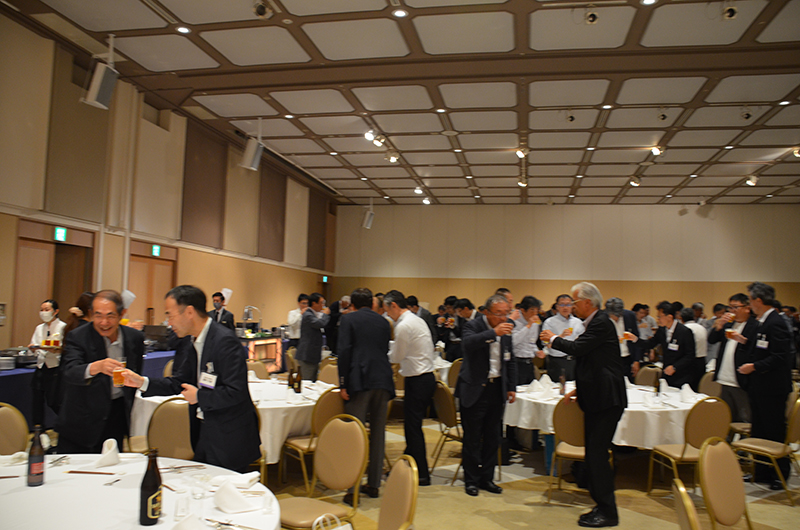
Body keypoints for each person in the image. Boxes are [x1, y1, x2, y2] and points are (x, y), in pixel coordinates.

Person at [123, 285, 260, 472]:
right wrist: (142, 382)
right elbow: (179, 382)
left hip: (229, 437)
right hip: (204, 431)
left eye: (170, 315)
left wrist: (199, 397)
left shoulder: (224, 341)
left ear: (189, 312)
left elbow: (236, 392)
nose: (169, 323)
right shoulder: (192, 341)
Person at [540, 282, 626, 528]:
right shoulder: (594, 323)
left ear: (588, 302)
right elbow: (596, 363)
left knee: (597, 456)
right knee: (594, 455)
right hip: (599, 396)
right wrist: (581, 388)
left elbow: (578, 348)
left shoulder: (600, 322)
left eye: (575, 302)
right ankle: (601, 505)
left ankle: (608, 512)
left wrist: (553, 338)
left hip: (606, 400)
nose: (573, 306)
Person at [56, 290, 144, 453]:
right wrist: (97, 367)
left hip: (116, 415)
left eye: (110, 316)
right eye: (98, 315)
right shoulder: (78, 336)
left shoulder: (134, 338)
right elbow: (69, 371)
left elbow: (136, 370)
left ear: (121, 314)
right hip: (82, 418)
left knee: (112, 462)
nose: (104, 322)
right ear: (91, 314)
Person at [456, 294, 517, 497]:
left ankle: (487, 478)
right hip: (474, 388)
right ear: (487, 312)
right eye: (498, 314)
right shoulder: (473, 325)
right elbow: (467, 344)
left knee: (493, 437)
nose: (503, 318)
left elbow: (510, 359)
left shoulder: (507, 328)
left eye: (506, 313)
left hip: (496, 388)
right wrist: (493, 333)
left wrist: (511, 386)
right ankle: (471, 480)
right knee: (473, 438)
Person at [337, 288, 394, 501]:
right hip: (383, 378)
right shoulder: (384, 322)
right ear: (371, 303)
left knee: (355, 435)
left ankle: (352, 489)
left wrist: (343, 383)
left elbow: (344, 352)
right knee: (378, 433)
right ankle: (374, 484)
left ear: (352, 304)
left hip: (359, 379)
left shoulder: (348, 319)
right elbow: (384, 349)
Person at [738, 282, 792, 489]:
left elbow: (780, 356)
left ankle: (780, 474)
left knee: (774, 430)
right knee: (759, 430)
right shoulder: (762, 322)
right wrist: (745, 343)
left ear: (758, 300)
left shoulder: (775, 322)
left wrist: (754, 366)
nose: (749, 305)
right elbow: (762, 348)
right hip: (759, 386)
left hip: (772, 388)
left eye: (750, 300)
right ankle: (761, 471)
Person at [384, 290, 436, 486]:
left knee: (413, 428)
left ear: (394, 306)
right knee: (412, 427)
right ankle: (406, 465)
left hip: (418, 380)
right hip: (425, 377)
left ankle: (422, 473)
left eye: (387, 310)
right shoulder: (416, 320)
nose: (387, 314)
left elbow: (397, 356)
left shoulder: (404, 325)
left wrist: (382, 352)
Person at [707, 293, 756, 424]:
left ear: (747, 308)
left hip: (742, 380)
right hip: (725, 377)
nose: (732, 311)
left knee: (744, 419)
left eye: (735, 307)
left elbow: (757, 350)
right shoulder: (729, 324)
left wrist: (743, 340)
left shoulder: (755, 326)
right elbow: (711, 340)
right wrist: (718, 327)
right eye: (730, 307)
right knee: (725, 417)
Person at [509, 295, 544, 451]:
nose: (535, 313)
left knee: (530, 399)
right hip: (516, 363)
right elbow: (513, 342)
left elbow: (531, 342)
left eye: (537, 310)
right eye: (532, 310)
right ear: (522, 310)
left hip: (529, 364)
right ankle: (511, 438)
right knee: (515, 401)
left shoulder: (535, 323)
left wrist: (537, 351)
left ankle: (529, 439)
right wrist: (528, 326)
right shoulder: (514, 321)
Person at [632, 301, 695, 388]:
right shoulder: (661, 330)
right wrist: (635, 339)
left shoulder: (684, 332)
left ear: (669, 317)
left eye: (659, 317)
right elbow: (650, 344)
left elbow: (690, 355)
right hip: (666, 373)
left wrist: (675, 367)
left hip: (682, 375)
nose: (658, 320)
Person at [29, 299, 67, 424]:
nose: (43, 312)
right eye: (42, 310)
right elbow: (35, 344)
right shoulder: (39, 328)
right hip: (41, 366)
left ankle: (66, 425)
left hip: (55, 367)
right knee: (37, 399)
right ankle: (38, 428)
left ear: (55, 311)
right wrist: (33, 348)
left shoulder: (62, 327)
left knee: (54, 401)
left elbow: (65, 348)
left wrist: (56, 349)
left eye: (47, 310)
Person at [541, 294, 585, 381]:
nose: (565, 307)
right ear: (557, 307)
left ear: (572, 306)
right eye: (562, 304)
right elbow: (546, 343)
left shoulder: (578, 322)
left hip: (575, 361)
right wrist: (561, 336)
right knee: (557, 387)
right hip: (557, 361)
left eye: (568, 304)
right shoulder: (549, 322)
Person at [295, 292, 330, 381]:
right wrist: (325, 315)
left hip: (313, 354)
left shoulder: (313, 314)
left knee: (313, 381)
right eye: (321, 303)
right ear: (314, 303)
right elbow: (320, 324)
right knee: (307, 381)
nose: (323, 305)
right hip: (307, 354)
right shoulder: (308, 314)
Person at [604, 298, 641, 381]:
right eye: (612, 315)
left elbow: (636, 338)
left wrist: (636, 360)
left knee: (628, 383)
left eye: (617, 315)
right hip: (610, 359)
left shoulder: (630, 316)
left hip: (627, 358)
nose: (615, 318)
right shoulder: (603, 317)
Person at [680, 307, 708, 391]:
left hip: (690, 363)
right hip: (702, 361)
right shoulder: (702, 328)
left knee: (688, 389)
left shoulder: (684, 329)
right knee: (698, 388)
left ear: (681, 318)